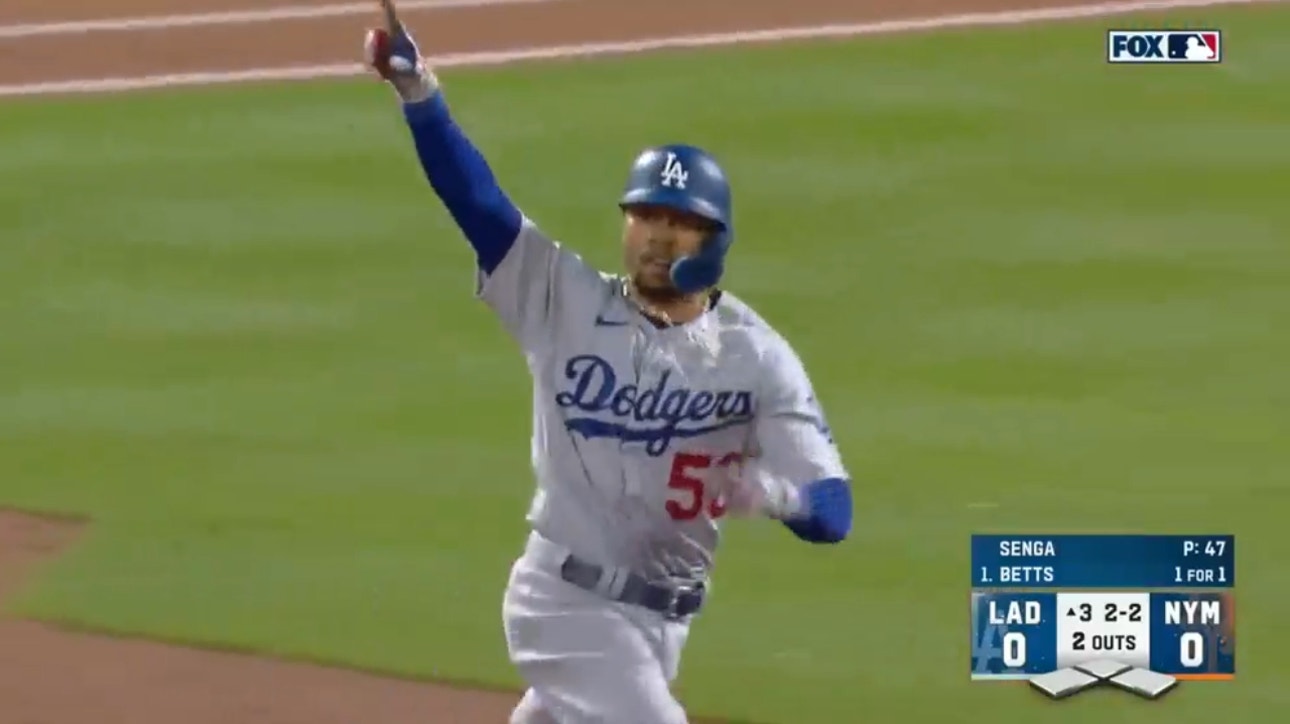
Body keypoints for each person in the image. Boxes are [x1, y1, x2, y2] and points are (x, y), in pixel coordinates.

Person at [363, 3, 853, 721]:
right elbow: (480, 205)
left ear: (716, 240)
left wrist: (778, 496)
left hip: (663, 626)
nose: (659, 236)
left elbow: (834, 509)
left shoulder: (758, 357)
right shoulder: (561, 301)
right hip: (562, 602)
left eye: (681, 222)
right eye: (646, 215)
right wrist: (418, 92)